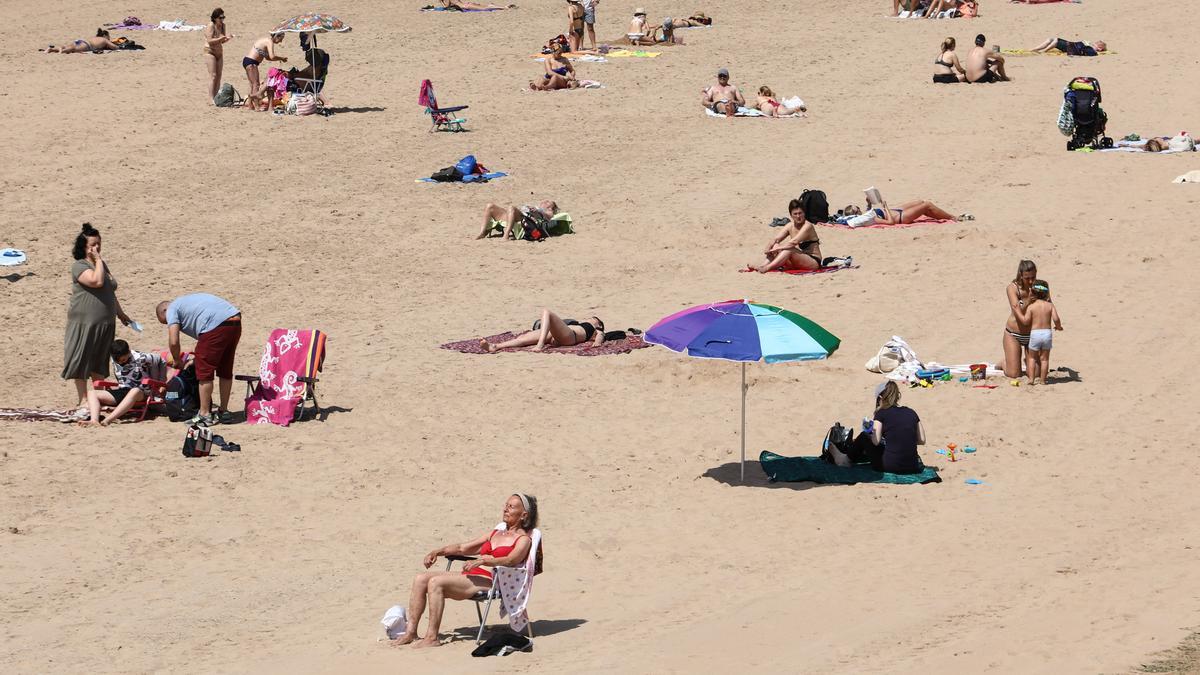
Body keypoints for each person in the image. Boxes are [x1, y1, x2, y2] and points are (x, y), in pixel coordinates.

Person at [392, 494, 539, 648]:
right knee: (420, 578)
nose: (505, 509)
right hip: (480, 575)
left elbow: (511, 560)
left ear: (524, 515)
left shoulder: (523, 540)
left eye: (511, 507)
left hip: (499, 581)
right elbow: (463, 548)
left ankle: (432, 637)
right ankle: (411, 632)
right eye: (506, 505)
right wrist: (437, 551)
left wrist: (483, 560)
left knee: (436, 583)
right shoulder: (496, 533)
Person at [62, 224, 133, 416]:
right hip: (85, 322)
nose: (97, 248)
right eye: (93, 245)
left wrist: (121, 313)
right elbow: (96, 281)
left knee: (99, 360)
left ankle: (98, 397)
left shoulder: (102, 264)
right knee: (81, 357)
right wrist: (98, 260)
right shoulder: (79, 265)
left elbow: (109, 290)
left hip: (105, 322)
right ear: (83, 247)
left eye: (99, 244)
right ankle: (83, 400)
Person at [156, 293, 242, 426]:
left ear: (164, 311)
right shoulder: (186, 302)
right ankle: (224, 411)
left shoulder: (172, 309)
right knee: (225, 368)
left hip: (215, 326)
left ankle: (204, 414)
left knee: (204, 373)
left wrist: (177, 360)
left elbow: (173, 342)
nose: (170, 323)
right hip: (235, 321)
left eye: (166, 321)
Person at [79, 340, 166, 427]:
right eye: (118, 361)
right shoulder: (115, 359)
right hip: (123, 390)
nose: (121, 362)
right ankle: (94, 420)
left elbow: (161, 360)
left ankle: (108, 420)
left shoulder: (141, 357)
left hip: (141, 392)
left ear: (128, 352)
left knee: (134, 391)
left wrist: (161, 382)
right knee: (92, 393)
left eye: (123, 360)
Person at [854, 382, 927, 474]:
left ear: (880, 398)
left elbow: (875, 442)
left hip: (890, 466)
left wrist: (870, 432)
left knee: (864, 436)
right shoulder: (911, 412)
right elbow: (922, 440)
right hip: (912, 466)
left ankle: (845, 459)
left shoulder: (881, 413)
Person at [750, 198, 823, 273]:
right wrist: (768, 247)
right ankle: (762, 265)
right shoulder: (790, 226)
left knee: (788, 249)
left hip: (813, 261)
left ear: (804, 213)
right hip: (800, 258)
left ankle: (767, 268)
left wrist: (777, 249)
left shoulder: (808, 226)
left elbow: (794, 242)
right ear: (791, 215)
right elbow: (776, 239)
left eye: (800, 213)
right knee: (775, 245)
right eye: (795, 214)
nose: (798, 216)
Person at [480, 309, 605, 352]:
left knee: (547, 312)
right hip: (555, 335)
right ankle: (495, 346)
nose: (590, 318)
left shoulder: (594, 328)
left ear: (598, 323)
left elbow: (600, 335)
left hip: (571, 337)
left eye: (593, 318)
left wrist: (598, 342)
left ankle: (540, 345)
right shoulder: (577, 323)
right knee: (524, 338)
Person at [1014, 280, 1063, 385]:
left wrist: (1019, 313)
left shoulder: (1031, 307)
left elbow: (1026, 321)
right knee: (1044, 359)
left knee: (1032, 358)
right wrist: (1058, 327)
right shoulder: (1050, 305)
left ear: (1033, 293)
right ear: (1046, 293)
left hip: (1035, 333)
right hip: (1047, 333)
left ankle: (1031, 380)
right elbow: (1056, 318)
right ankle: (1042, 380)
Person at [1000, 259, 1039, 378]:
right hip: (1014, 334)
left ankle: (1026, 360)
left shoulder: (1039, 286)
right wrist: (1029, 300)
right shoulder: (1012, 288)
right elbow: (1017, 312)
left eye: (1033, 277)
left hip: (1032, 334)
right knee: (1014, 374)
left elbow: (1048, 305)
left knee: (1036, 374)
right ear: (1020, 275)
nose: (1031, 281)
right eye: (1027, 278)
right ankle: (1003, 363)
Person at [243, 33, 287, 111]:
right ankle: (256, 106)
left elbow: (267, 58)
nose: (280, 41)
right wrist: (282, 58)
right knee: (256, 84)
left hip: (248, 61)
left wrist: (279, 59)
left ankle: (251, 106)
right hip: (251, 62)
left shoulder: (265, 41)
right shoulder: (269, 41)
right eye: (281, 39)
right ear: (277, 36)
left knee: (252, 85)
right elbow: (272, 56)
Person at [476, 200, 560, 239]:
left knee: (511, 207)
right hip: (513, 216)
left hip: (524, 220)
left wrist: (538, 211)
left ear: (550, 208)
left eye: (548, 202)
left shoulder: (548, 212)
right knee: (490, 206)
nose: (545, 201)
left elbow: (549, 217)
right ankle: (482, 233)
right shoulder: (536, 206)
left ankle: (506, 236)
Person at [203, 8, 232, 102]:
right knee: (213, 75)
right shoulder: (211, 25)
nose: (222, 19)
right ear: (215, 18)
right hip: (210, 51)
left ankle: (215, 97)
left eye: (223, 17)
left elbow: (222, 41)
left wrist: (226, 39)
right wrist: (221, 39)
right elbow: (210, 41)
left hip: (219, 53)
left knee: (219, 75)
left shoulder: (223, 25)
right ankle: (210, 98)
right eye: (220, 17)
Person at [867, 198, 958, 224]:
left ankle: (942, 215)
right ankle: (952, 217)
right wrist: (886, 207)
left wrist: (869, 203)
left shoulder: (865, 215)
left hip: (896, 210)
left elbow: (868, 212)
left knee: (920, 201)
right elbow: (890, 222)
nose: (858, 209)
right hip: (899, 217)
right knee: (927, 205)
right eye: (857, 209)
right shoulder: (870, 218)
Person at [46, 29, 121, 53]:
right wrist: (119, 46)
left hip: (81, 40)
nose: (109, 39)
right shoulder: (104, 39)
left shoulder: (95, 38)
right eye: (109, 37)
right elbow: (114, 47)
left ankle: (52, 49)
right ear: (105, 35)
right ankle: (61, 51)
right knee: (73, 49)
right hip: (87, 45)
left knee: (69, 46)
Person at [1029, 37, 1107, 56]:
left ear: (1099, 48)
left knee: (1056, 40)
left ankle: (1044, 51)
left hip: (1071, 47)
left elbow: (1084, 51)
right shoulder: (1090, 46)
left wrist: (1089, 46)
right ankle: (1034, 49)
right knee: (1051, 39)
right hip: (1070, 44)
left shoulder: (1092, 51)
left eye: (1096, 44)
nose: (1094, 44)